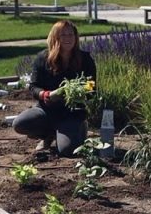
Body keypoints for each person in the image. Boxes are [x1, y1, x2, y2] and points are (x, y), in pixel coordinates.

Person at [12, 20, 96, 157]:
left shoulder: (85, 59)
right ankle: (48, 135)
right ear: (55, 38)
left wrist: (81, 92)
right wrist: (46, 94)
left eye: (71, 35)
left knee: (67, 151)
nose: (68, 38)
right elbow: (33, 87)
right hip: (47, 110)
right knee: (20, 124)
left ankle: (80, 127)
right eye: (63, 35)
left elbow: (92, 86)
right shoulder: (43, 58)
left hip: (72, 113)